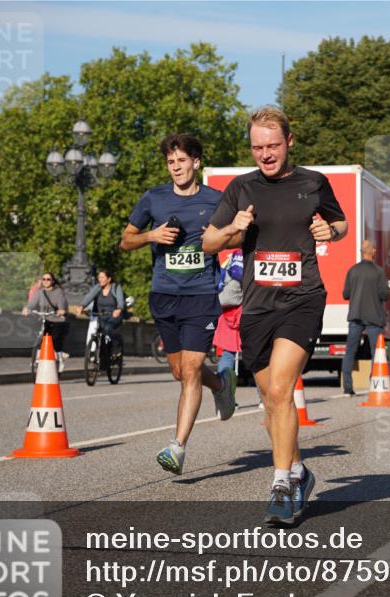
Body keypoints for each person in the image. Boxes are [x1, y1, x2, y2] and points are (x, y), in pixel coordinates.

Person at [203, 105, 347, 525]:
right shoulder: (241, 188)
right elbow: (210, 241)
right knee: (271, 402)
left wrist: (330, 232)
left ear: (289, 143)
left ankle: (281, 483)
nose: (265, 154)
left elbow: (338, 224)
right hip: (258, 306)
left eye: (273, 146)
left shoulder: (313, 182)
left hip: (303, 298)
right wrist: (234, 230)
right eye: (257, 147)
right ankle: (300, 471)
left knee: (283, 388)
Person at [120, 132, 233, 476]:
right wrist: (151, 236)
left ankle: (177, 447)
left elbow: (238, 235)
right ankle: (221, 385)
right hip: (164, 295)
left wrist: (224, 237)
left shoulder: (216, 199)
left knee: (190, 370)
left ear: (196, 162)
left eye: (182, 161)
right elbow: (125, 241)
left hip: (200, 296)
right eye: (171, 162)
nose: (176, 167)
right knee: (179, 371)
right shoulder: (154, 199)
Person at [341, 240, 388, 396]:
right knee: (377, 352)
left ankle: (348, 387)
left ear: (362, 251)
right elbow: (384, 294)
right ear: (373, 251)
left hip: (355, 315)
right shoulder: (378, 271)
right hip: (374, 317)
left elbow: (346, 294)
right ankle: (375, 383)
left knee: (350, 351)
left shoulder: (352, 270)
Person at [213, 248, 244, 419]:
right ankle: (264, 399)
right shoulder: (247, 259)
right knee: (257, 355)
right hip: (242, 312)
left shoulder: (228, 263)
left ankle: (224, 396)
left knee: (227, 355)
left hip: (225, 314)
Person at [23, 272, 69, 372]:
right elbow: (31, 304)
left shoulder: (58, 292)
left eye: (48, 279)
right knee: (41, 336)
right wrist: (27, 309)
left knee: (54, 339)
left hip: (57, 319)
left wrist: (61, 310)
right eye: (43, 279)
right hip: (44, 318)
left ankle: (59, 358)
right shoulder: (40, 292)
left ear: (52, 281)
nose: (45, 281)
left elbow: (62, 305)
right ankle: (38, 357)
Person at [78, 269, 125, 352]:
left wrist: (119, 309)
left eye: (102, 277)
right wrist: (82, 306)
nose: (100, 279)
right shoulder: (98, 287)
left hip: (114, 316)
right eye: (99, 277)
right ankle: (94, 353)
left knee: (108, 328)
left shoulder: (116, 287)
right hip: (101, 315)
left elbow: (120, 300)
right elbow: (89, 296)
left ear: (109, 279)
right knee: (97, 331)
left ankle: (118, 340)